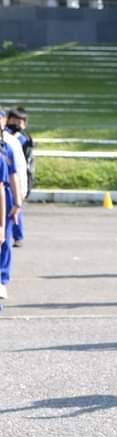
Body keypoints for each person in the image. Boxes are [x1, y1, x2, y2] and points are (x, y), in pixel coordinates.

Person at [0, 127, 21, 303]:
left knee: (4, 240)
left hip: (4, 196)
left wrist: (17, 201)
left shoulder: (6, 150)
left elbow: (13, 176)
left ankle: (2, 278)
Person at [6, 107, 31, 246]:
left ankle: (18, 236)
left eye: (19, 121)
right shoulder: (6, 135)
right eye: (13, 120)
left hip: (17, 175)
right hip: (7, 174)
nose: (15, 124)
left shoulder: (23, 139)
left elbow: (23, 163)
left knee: (16, 205)